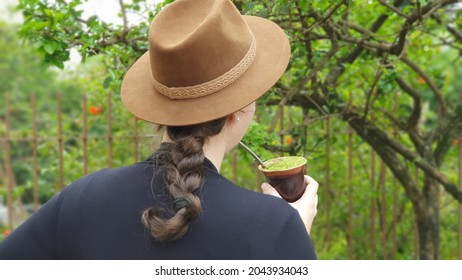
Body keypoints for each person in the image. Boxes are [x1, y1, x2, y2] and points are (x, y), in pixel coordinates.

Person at [0, 0, 319, 259]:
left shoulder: (82, 199)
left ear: (160, 107)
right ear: (241, 107)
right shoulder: (271, 225)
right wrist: (290, 238)